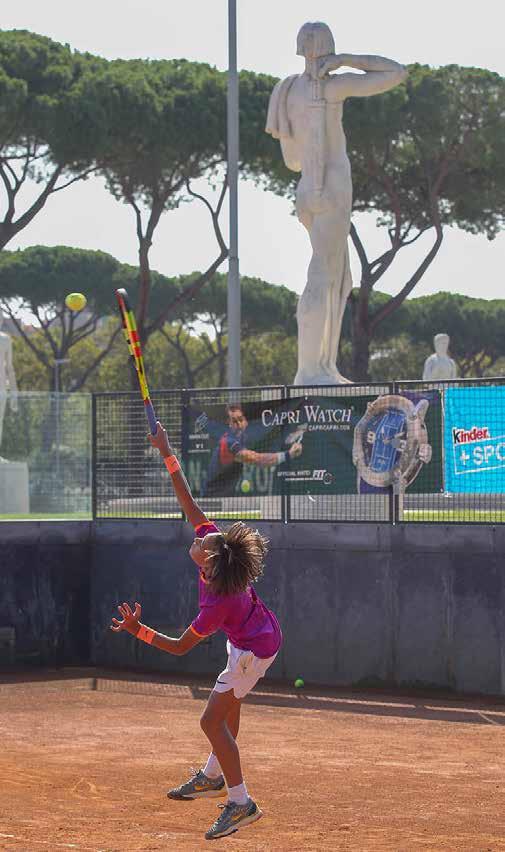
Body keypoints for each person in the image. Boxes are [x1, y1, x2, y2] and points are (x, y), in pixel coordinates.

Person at [110, 421, 282, 840]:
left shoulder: (217, 602)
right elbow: (188, 502)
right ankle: (212, 776)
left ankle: (241, 802)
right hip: (251, 636)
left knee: (210, 721)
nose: (199, 538)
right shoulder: (217, 551)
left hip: (254, 650)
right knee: (229, 708)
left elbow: (178, 648)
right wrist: (166, 450)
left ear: (208, 565)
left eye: (203, 543)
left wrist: (137, 630)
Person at [266, 21, 407, 385]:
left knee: (339, 278)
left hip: (305, 191)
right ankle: (308, 371)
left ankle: (325, 366)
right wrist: (347, 59)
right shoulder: (332, 86)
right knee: (322, 274)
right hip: (332, 185)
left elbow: (291, 161)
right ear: (327, 46)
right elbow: (396, 73)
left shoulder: (285, 91)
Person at [203, 403, 302, 496]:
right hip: (212, 498)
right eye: (234, 421)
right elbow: (258, 459)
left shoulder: (241, 438)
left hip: (225, 496)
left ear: (246, 421)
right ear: (229, 424)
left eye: (241, 420)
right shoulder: (229, 442)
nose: (239, 424)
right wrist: (288, 454)